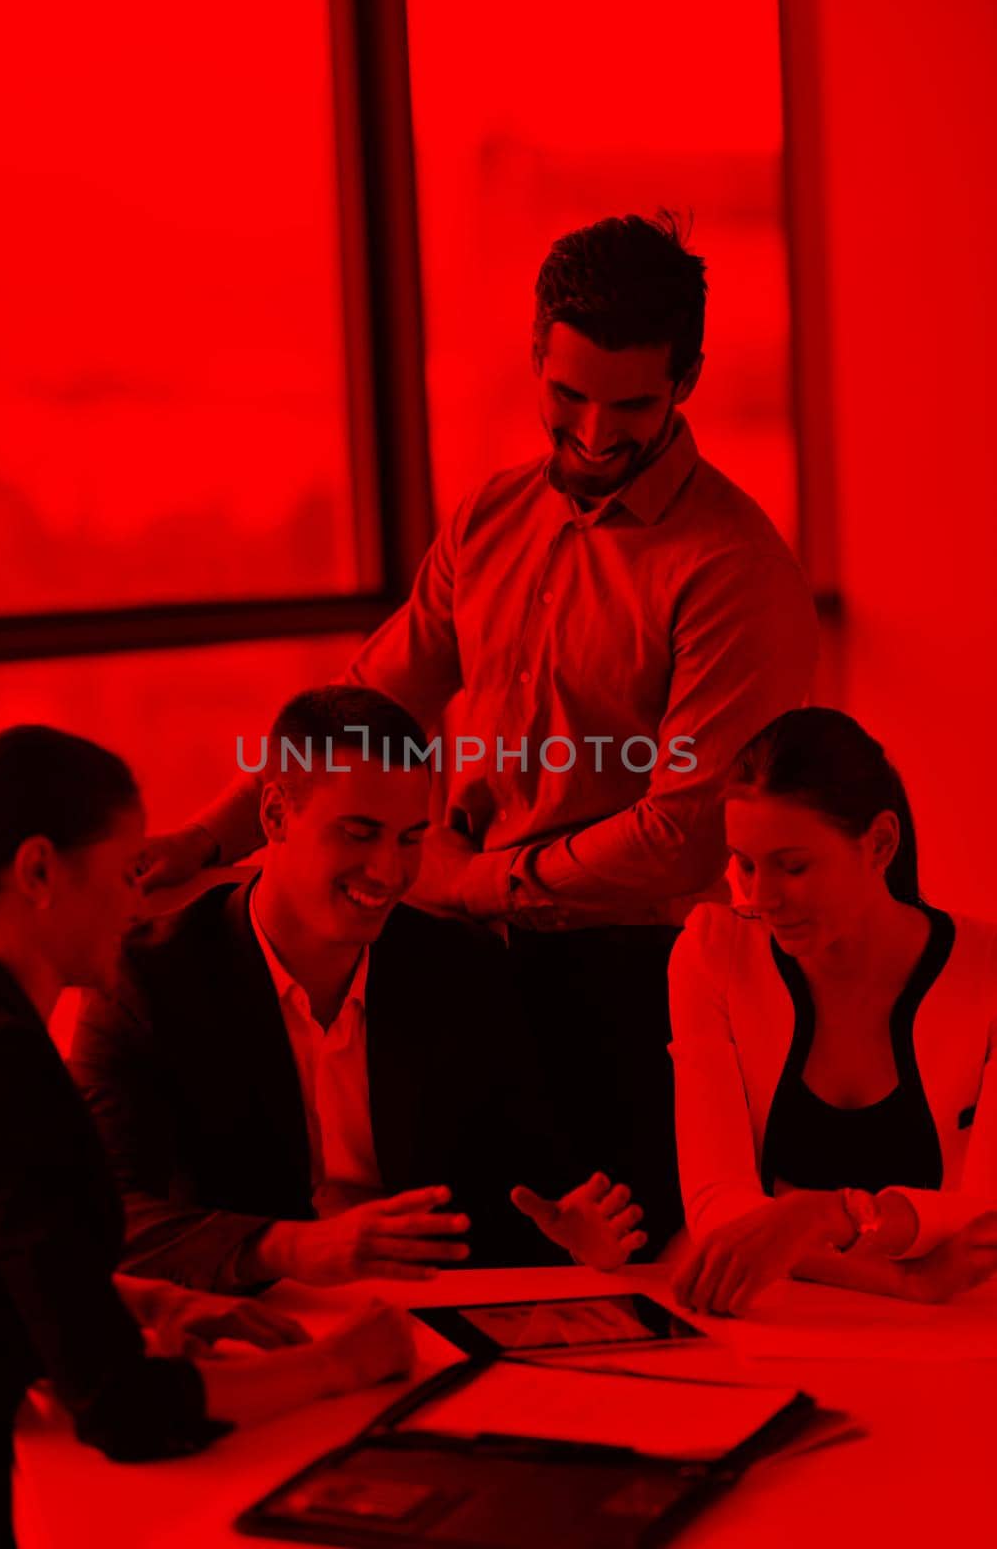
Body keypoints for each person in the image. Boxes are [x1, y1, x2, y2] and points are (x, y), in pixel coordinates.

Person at [132, 214, 819, 1254]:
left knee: (618, 1273)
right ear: (536, 352)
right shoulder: (489, 520)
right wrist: (210, 838)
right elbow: (366, 707)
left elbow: (686, 828)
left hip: (631, 983)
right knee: (467, 1262)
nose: (594, 434)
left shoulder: (734, 569)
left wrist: (466, 882)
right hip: (463, 971)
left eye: (631, 403)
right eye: (569, 395)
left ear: (688, 378)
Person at [0, 725, 416, 1549]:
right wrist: (339, 1366)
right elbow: (121, 1407)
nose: (138, 903)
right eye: (125, 874)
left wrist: (160, 1299)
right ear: (40, 870)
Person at [69, 688, 645, 1293]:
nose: (389, 872)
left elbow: (520, 1192)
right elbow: (104, 1215)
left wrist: (570, 1236)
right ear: (274, 817)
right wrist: (289, 1247)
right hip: (244, 1322)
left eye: (409, 838)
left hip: (424, 1315)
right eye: (359, 834)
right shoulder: (148, 979)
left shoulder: (459, 969)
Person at [669, 707, 997, 1316]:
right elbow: (717, 1209)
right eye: (744, 863)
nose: (760, 897)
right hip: (787, 1321)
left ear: (879, 845)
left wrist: (821, 1215)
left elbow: (986, 1217)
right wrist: (904, 1280)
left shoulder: (988, 971)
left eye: (793, 867)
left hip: (960, 1331)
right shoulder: (712, 952)